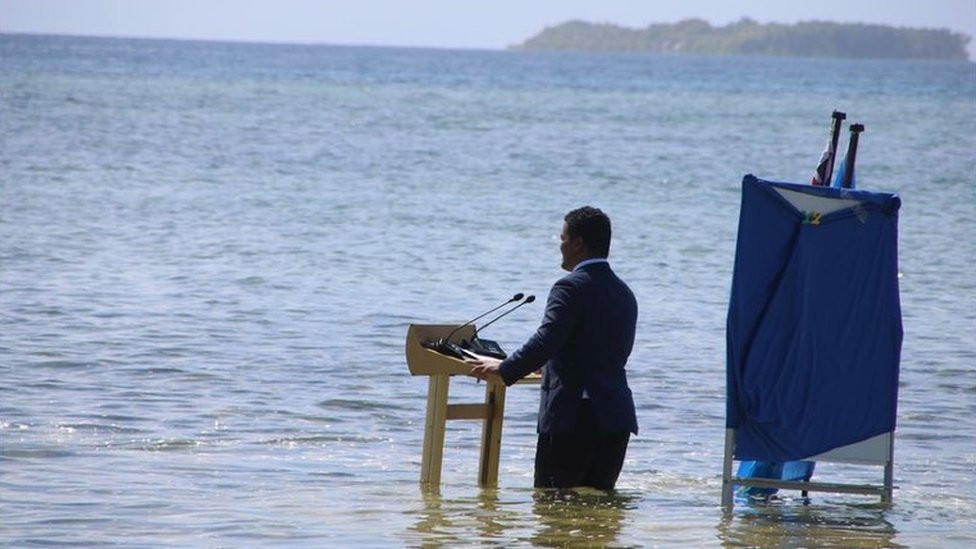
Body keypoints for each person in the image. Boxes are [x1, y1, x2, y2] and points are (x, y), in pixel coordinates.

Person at [469, 206, 638, 491]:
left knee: (552, 512)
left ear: (578, 243)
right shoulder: (623, 292)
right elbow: (600, 351)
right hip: (614, 420)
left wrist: (505, 368)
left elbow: (547, 339)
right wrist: (548, 364)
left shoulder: (570, 287)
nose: (560, 245)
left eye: (562, 238)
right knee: (597, 522)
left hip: (574, 418)